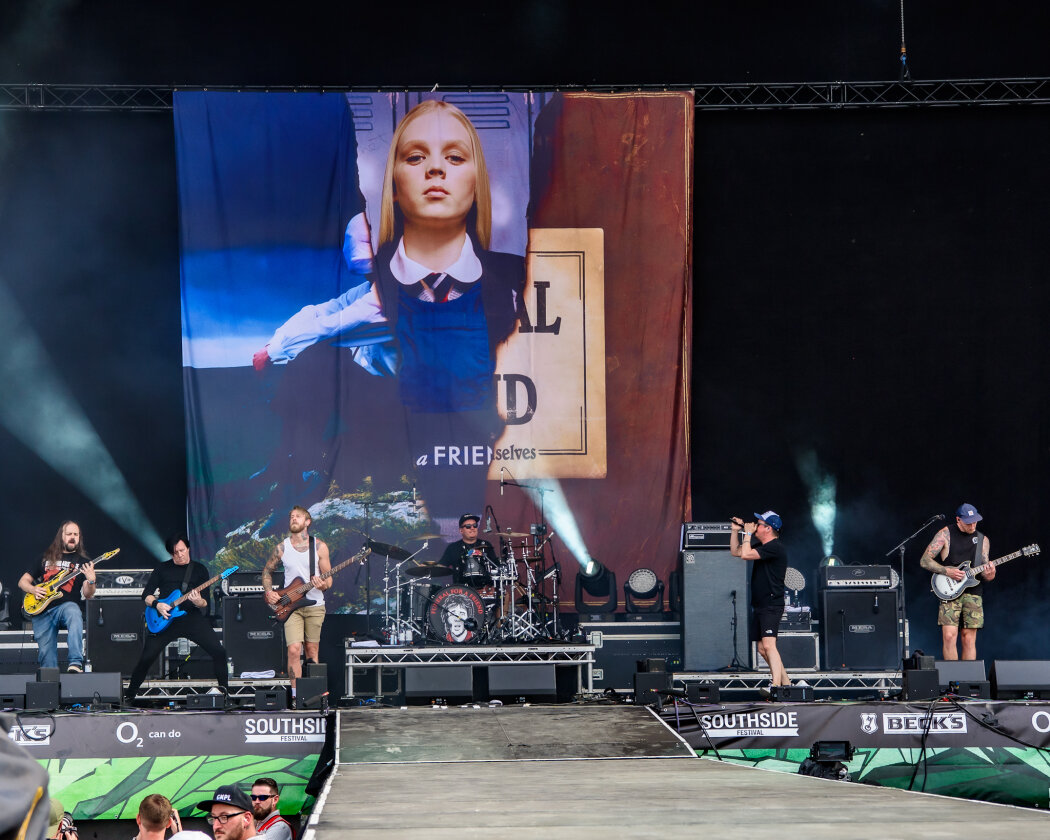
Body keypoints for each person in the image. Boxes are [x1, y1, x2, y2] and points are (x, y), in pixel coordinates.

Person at [253, 100, 525, 532]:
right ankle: (293, 471)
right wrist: (275, 347)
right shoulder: (380, 291)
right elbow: (329, 315)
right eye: (416, 157)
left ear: (477, 181)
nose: (435, 170)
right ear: (395, 185)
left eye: (454, 157)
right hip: (385, 400)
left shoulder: (505, 286)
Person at [125, 534, 231, 705]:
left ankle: (225, 694)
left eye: (182, 550)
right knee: (146, 658)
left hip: (191, 618)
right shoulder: (162, 569)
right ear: (171, 553)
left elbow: (204, 603)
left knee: (219, 651)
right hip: (165, 619)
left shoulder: (200, 570)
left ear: (188, 548)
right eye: (175, 553)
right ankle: (129, 696)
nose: (180, 555)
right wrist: (158, 605)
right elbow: (146, 595)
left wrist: (198, 601)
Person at [262, 506, 331, 689]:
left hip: (315, 604)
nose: (294, 519)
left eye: (298, 516)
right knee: (294, 650)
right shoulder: (282, 548)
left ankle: (313, 695)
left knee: (312, 650)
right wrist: (269, 592)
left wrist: (322, 584)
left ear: (307, 522)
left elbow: (329, 580)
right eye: (291, 516)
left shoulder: (319, 546)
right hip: (291, 605)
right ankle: (295, 695)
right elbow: (267, 572)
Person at [919, 503, 995, 661]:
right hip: (950, 591)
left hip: (973, 592)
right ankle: (953, 681)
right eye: (968, 522)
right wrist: (947, 571)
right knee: (949, 636)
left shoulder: (983, 540)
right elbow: (925, 561)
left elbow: (986, 574)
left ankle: (969, 681)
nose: (972, 525)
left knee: (968, 639)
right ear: (958, 520)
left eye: (975, 521)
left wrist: (990, 573)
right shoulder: (945, 534)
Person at [18, 521, 96, 672]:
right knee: (47, 664)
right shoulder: (45, 558)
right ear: (61, 537)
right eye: (69, 534)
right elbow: (22, 581)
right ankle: (50, 690)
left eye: (76, 534)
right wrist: (33, 589)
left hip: (65, 606)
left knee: (73, 611)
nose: (72, 537)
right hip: (42, 610)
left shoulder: (84, 563)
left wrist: (91, 579)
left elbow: (88, 594)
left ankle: (75, 662)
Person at [730, 511, 790, 690]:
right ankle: (787, 684)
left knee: (769, 645)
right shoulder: (762, 546)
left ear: (768, 528)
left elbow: (746, 555)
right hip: (760, 604)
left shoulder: (776, 547)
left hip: (772, 603)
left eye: (759, 523)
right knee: (762, 649)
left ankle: (776, 686)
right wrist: (735, 531)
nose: (756, 525)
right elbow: (736, 552)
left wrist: (747, 533)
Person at [440, 514, 498, 588]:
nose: (472, 528)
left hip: (484, 589)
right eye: (468, 526)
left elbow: (495, 566)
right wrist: (428, 567)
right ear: (461, 530)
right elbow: (442, 565)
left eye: (475, 525)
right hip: (461, 590)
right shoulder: (453, 548)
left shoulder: (486, 545)